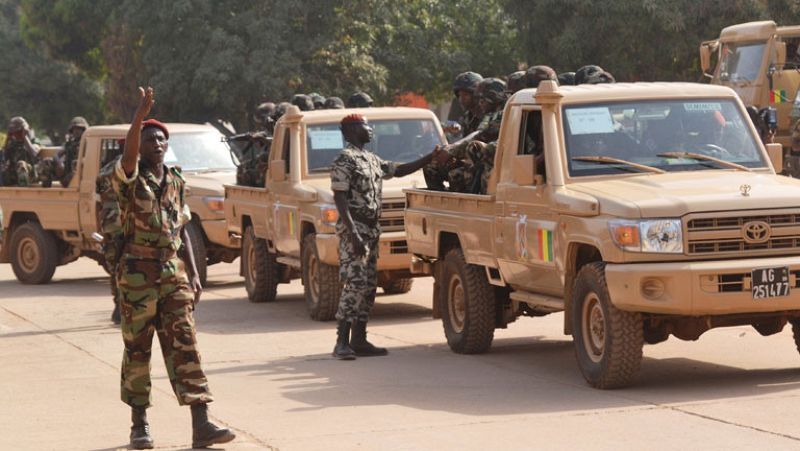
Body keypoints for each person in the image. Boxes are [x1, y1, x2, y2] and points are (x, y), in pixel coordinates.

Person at [113, 87, 235, 449]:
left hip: (172, 274)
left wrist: (195, 273)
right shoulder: (129, 179)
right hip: (137, 276)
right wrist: (140, 114)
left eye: (162, 139)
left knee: (187, 347)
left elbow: (182, 231)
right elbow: (129, 153)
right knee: (138, 350)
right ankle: (139, 426)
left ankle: (202, 425)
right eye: (150, 139)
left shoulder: (177, 182)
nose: (157, 144)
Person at [330, 113, 443, 360]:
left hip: (371, 230)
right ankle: (341, 341)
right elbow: (340, 198)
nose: (370, 129)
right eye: (365, 126)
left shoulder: (371, 159)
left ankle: (359, 339)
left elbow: (399, 170)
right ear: (350, 130)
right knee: (356, 283)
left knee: (369, 285)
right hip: (355, 230)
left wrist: (430, 158)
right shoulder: (345, 159)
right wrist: (354, 234)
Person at [424, 71, 483, 189]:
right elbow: (459, 138)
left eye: (466, 95)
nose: (461, 99)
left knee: (455, 175)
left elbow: (479, 135)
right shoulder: (467, 117)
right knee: (430, 166)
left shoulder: (488, 115)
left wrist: (452, 151)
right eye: (459, 95)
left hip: (484, 165)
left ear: (477, 94)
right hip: (469, 162)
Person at [95, 139, 124, 325]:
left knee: (115, 267)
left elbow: (99, 204)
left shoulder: (105, 170)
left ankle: (118, 306)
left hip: (110, 225)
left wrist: (101, 230)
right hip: (132, 224)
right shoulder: (137, 168)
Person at [39, 116, 89, 187]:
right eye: (74, 129)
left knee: (77, 165)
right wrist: (59, 163)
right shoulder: (69, 144)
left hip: (78, 174)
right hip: (66, 171)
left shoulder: (88, 143)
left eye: (79, 129)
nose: (76, 131)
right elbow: (57, 155)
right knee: (47, 161)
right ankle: (46, 185)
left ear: (84, 130)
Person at [2, 116, 40, 186]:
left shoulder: (33, 141)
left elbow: (34, 154)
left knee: (21, 164)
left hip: (30, 174)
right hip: (14, 174)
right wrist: (8, 138)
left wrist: (24, 137)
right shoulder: (12, 144)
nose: (15, 134)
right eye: (13, 132)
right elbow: (5, 157)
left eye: (18, 132)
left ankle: (23, 185)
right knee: (4, 166)